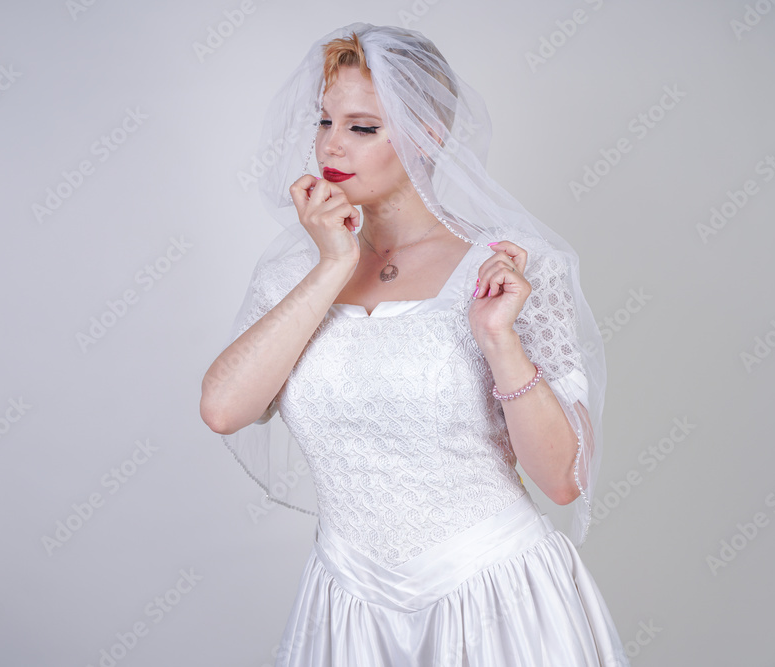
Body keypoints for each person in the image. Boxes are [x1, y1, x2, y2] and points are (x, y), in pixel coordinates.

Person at [201, 22, 630, 666]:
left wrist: (497, 337)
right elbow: (223, 410)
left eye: (363, 127)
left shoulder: (514, 266)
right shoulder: (296, 275)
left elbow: (563, 480)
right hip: (347, 608)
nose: (330, 146)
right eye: (324, 121)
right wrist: (330, 266)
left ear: (428, 133)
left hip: (495, 599)